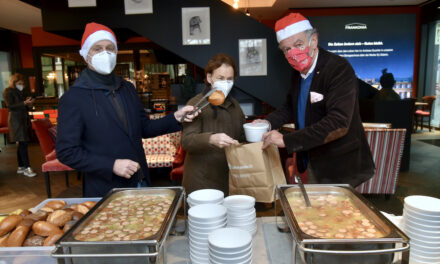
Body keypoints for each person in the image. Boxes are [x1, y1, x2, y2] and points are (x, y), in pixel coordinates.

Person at [56, 22, 198, 197]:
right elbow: (66, 152)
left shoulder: (127, 88)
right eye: (97, 49)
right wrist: (111, 165)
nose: (105, 53)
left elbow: (144, 128)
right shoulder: (73, 98)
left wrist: (175, 118)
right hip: (106, 189)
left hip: (141, 180)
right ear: (86, 55)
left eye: (110, 48)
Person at [255, 13, 375, 187]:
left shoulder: (338, 69)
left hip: (338, 164)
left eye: (298, 44)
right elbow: (290, 106)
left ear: (314, 40)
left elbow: (338, 122)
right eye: (287, 49)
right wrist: (267, 123)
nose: (293, 53)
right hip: (309, 157)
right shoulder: (298, 73)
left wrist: (286, 140)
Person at [181, 54, 245, 195]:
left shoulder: (235, 105)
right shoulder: (196, 103)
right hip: (201, 182)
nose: (225, 83)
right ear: (210, 78)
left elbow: (241, 137)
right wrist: (211, 138)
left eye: (230, 79)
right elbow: (186, 141)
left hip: (229, 180)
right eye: (220, 78)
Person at [3, 73, 37, 177]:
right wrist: (23, 103)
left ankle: (21, 166)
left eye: (22, 83)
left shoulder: (21, 92)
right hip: (15, 120)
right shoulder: (8, 91)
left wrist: (30, 104)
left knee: (22, 142)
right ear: (14, 83)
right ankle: (27, 167)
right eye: (19, 83)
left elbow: (25, 106)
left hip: (23, 119)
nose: (21, 85)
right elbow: (10, 106)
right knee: (23, 142)